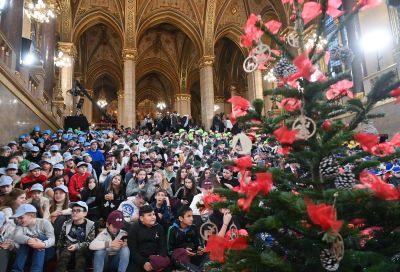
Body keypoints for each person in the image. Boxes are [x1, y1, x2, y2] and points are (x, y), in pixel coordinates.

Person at [12, 204, 56, 272]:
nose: (19, 220)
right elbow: (16, 236)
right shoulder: (20, 225)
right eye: (18, 218)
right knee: (24, 240)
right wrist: (29, 240)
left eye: (21, 218)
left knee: (40, 237)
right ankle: (16, 270)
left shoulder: (44, 222)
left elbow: (52, 240)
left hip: (47, 252)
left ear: (31, 216)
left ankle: (36, 270)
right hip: (30, 254)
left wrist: (43, 244)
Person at [127, 205, 170, 272]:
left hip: (156, 259)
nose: (153, 217)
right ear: (141, 218)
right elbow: (132, 250)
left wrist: (157, 259)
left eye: (153, 214)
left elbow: (163, 247)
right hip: (139, 260)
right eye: (149, 215)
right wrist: (143, 263)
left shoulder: (159, 227)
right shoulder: (134, 228)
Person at [56, 201, 95, 272]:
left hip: (83, 248)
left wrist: (77, 246)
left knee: (80, 253)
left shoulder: (91, 225)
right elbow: (61, 240)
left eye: (78, 211)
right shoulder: (66, 223)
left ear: (85, 213)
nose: (74, 213)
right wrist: (59, 250)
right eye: (73, 210)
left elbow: (91, 243)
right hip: (68, 247)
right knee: (65, 254)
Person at [167, 206, 207, 272]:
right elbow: (169, 251)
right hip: (179, 256)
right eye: (188, 216)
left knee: (207, 254)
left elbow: (199, 242)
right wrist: (183, 251)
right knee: (183, 257)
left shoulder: (193, 227)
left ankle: (194, 268)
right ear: (180, 218)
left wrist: (200, 248)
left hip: (193, 253)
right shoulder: (172, 230)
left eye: (192, 216)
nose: (192, 219)